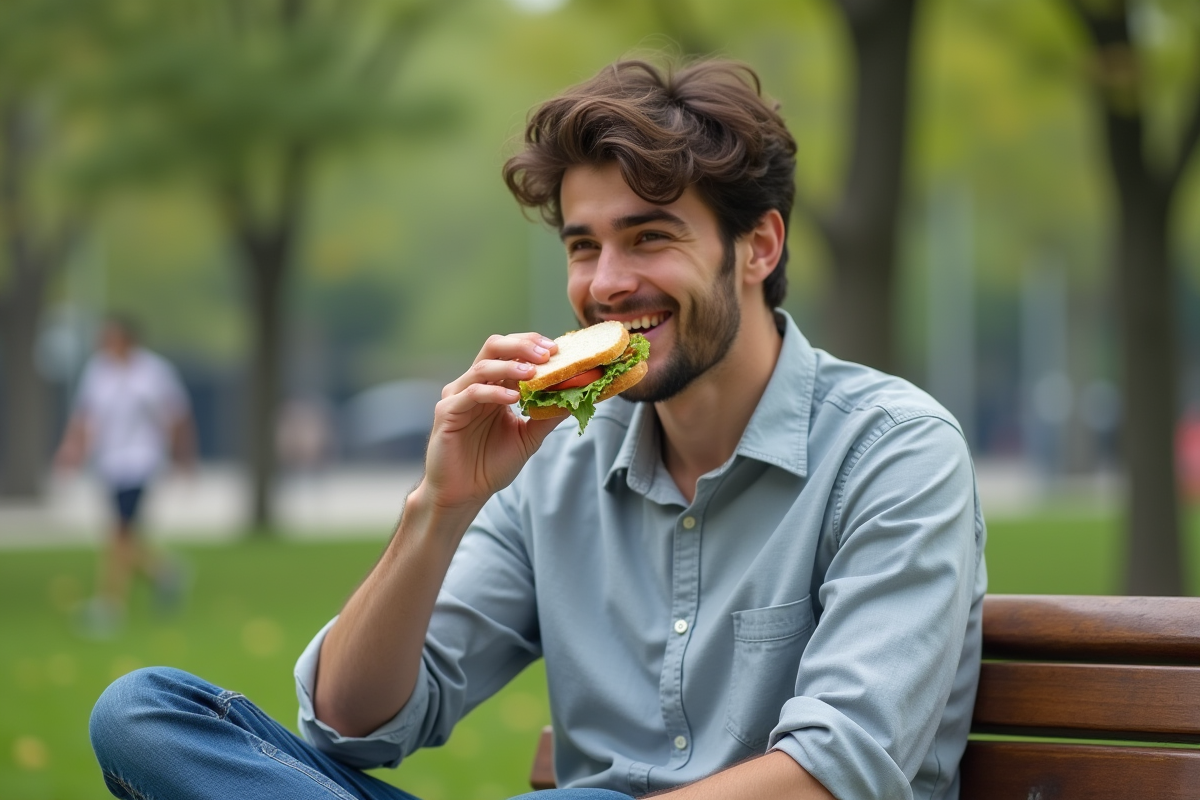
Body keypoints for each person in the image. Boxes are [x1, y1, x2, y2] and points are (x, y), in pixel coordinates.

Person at [89, 58, 986, 800]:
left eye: (649, 237)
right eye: (584, 245)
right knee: (145, 714)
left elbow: (839, 772)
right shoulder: (560, 457)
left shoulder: (893, 452)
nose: (606, 283)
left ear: (757, 247)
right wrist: (440, 506)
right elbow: (351, 726)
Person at [56, 315, 194, 635]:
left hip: (141, 461)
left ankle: (109, 607)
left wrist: (180, 456)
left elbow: (176, 416)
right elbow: (85, 415)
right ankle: (165, 573)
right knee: (123, 536)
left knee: (118, 533)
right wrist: (72, 450)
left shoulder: (153, 373)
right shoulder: (98, 371)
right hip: (109, 464)